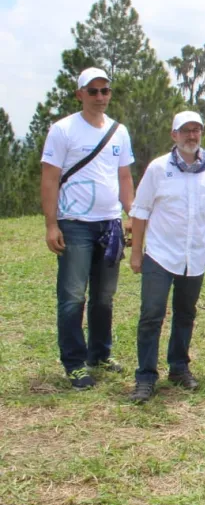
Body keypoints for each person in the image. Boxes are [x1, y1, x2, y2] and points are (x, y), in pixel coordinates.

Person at [40, 67, 135, 390]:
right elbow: (50, 177)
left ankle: (100, 354)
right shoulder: (63, 130)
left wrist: (131, 214)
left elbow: (124, 176)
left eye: (104, 91)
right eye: (92, 91)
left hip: (109, 223)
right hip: (75, 224)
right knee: (72, 296)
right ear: (80, 94)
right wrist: (52, 224)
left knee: (104, 297)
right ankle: (75, 362)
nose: (99, 97)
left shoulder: (118, 131)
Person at [127, 111, 205, 402]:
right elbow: (141, 210)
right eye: (185, 131)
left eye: (196, 130)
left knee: (186, 313)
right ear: (174, 135)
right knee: (151, 316)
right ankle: (145, 377)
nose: (191, 136)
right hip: (159, 255)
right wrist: (136, 253)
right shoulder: (158, 169)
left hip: (193, 256)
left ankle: (179, 367)